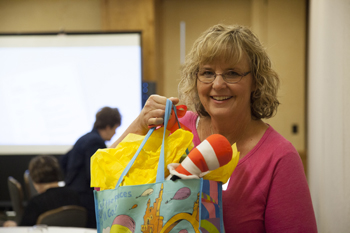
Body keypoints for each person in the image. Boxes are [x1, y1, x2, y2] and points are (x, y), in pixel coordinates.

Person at [111, 24, 317, 232]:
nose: (218, 84)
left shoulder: (279, 158)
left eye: (232, 73)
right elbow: (106, 181)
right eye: (208, 73)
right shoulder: (177, 130)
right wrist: (139, 124)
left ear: (256, 81)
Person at [61, 106, 121, 229]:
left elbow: (63, 161)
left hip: (74, 193)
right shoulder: (96, 142)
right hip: (85, 198)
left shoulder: (84, 138)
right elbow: (94, 174)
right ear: (108, 127)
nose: (115, 133)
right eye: (115, 128)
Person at [3, 155, 80, 227]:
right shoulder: (75, 196)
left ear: (34, 179)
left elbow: (24, 228)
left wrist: (14, 226)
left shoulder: (35, 204)